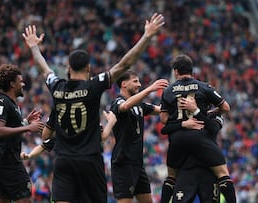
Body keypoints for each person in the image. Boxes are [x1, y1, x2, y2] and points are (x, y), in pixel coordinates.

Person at [22, 12, 165, 203]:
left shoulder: (57, 87)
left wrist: (33, 47)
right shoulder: (93, 86)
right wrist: (146, 36)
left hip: (63, 161)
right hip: (89, 161)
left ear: (68, 68)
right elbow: (125, 64)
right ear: (88, 69)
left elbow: (44, 68)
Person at [160, 54, 236, 203]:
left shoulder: (168, 91)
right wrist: (209, 113)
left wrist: (180, 122)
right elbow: (225, 108)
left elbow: (164, 120)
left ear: (175, 71)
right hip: (200, 136)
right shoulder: (204, 87)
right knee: (222, 173)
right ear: (191, 70)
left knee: (171, 176)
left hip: (178, 138)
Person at [109, 71, 168, 203]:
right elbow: (124, 106)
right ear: (123, 84)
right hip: (123, 163)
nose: (139, 84)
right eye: (135, 81)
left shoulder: (139, 104)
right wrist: (150, 89)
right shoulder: (118, 102)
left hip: (137, 163)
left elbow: (160, 110)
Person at [0, 64, 45, 203]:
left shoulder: (12, 104)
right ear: (12, 84)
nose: (23, 84)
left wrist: (26, 122)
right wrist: (27, 128)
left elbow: (9, 128)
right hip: (8, 161)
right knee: (25, 198)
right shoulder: (3, 102)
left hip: (1, 161)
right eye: (20, 81)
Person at [161, 97, 224, 203]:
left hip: (207, 169)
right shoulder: (180, 118)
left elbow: (213, 128)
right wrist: (183, 124)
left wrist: (196, 112)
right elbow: (165, 129)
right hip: (186, 168)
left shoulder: (213, 116)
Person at [20, 110, 117, 160]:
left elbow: (102, 137)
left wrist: (111, 122)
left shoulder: (85, 120)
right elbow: (43, 146)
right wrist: (29, 156)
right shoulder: (61, 134)